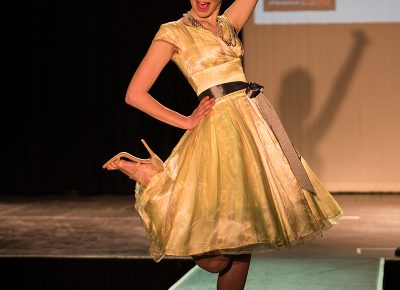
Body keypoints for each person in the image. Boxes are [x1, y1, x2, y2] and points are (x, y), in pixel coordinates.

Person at [103, 1, 344, 289]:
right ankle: (154, 180)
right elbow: (135, 93)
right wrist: (185, 121)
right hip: (217, 130)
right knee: (216, 261)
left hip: (251, 129)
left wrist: (356, 51)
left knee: (244, 240)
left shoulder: (229, 22)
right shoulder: (173, 32)